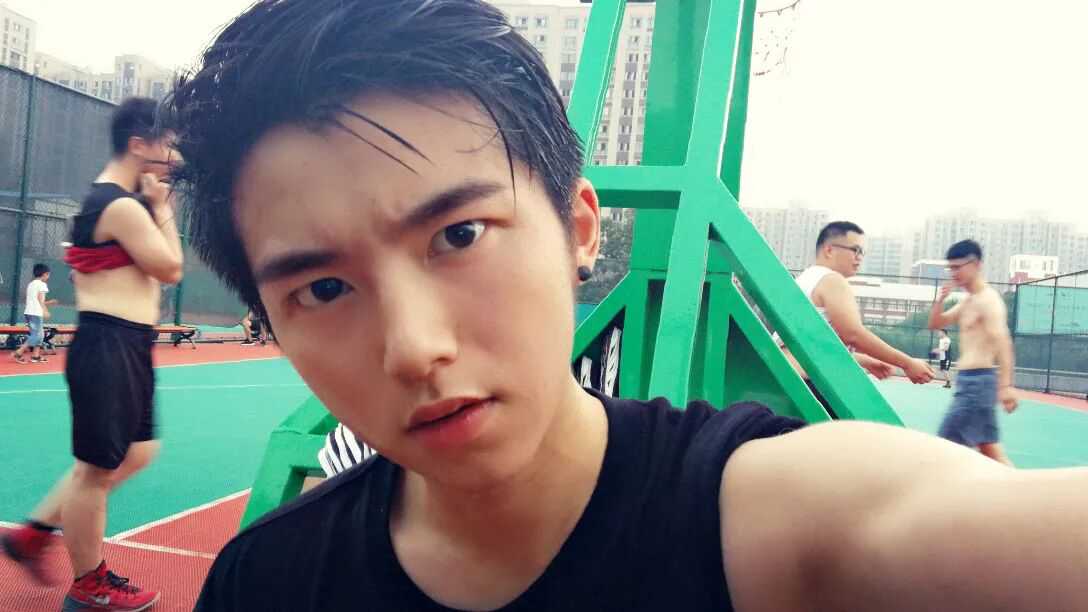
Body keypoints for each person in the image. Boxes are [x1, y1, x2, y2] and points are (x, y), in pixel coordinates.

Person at [166, 2, 1086, 610]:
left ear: (577, 227)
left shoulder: (770, 526)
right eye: (324, 289)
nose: (414, 347)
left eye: (460, 235)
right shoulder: (266, 583)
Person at [2, 97, 183, 611]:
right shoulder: (119, 206)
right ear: (138, 145)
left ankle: (34, 533)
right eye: (168, 145)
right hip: (108, 343)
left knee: (137, 452)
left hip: (129, 344)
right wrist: (163, 207)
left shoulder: (119, 204)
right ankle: (87, 583)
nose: (174, 157)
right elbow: (171, 268)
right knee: (95, 470)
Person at [779, 222, 934, 411]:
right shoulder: (832, 280)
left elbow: (812, 344)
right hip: (808, 384)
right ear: (829, 250)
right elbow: (853, 334)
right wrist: (907, 363)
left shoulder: (806, 279)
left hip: (788, 378)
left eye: (862, 252)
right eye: (855, 250)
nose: (859, 257)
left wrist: (864, 360)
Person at [928, 240, 1018, 466]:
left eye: (958, 267)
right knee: (990, 451)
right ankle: (1022, 486)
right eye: (950, 268)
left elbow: (1003, 341)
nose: (953, 273)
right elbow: (936, 323)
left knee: (944, 448)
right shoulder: (969, 301)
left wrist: (1006, 386)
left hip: (977, 385)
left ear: (976, 264)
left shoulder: (988, 300)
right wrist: (940, 300)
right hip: (971, 383)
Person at [11, 263, 59, 364]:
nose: (48, 277)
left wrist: (49, 303)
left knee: (40, 335)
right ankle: (18, 353)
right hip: (35, 313)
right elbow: (40, 300)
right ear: (45, 274)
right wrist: (45, 310)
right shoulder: (42, 284)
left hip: (29, 313)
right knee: (36, 335)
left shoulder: (31, 284)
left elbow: (35, 300)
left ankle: (35, 356)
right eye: (48, 275)